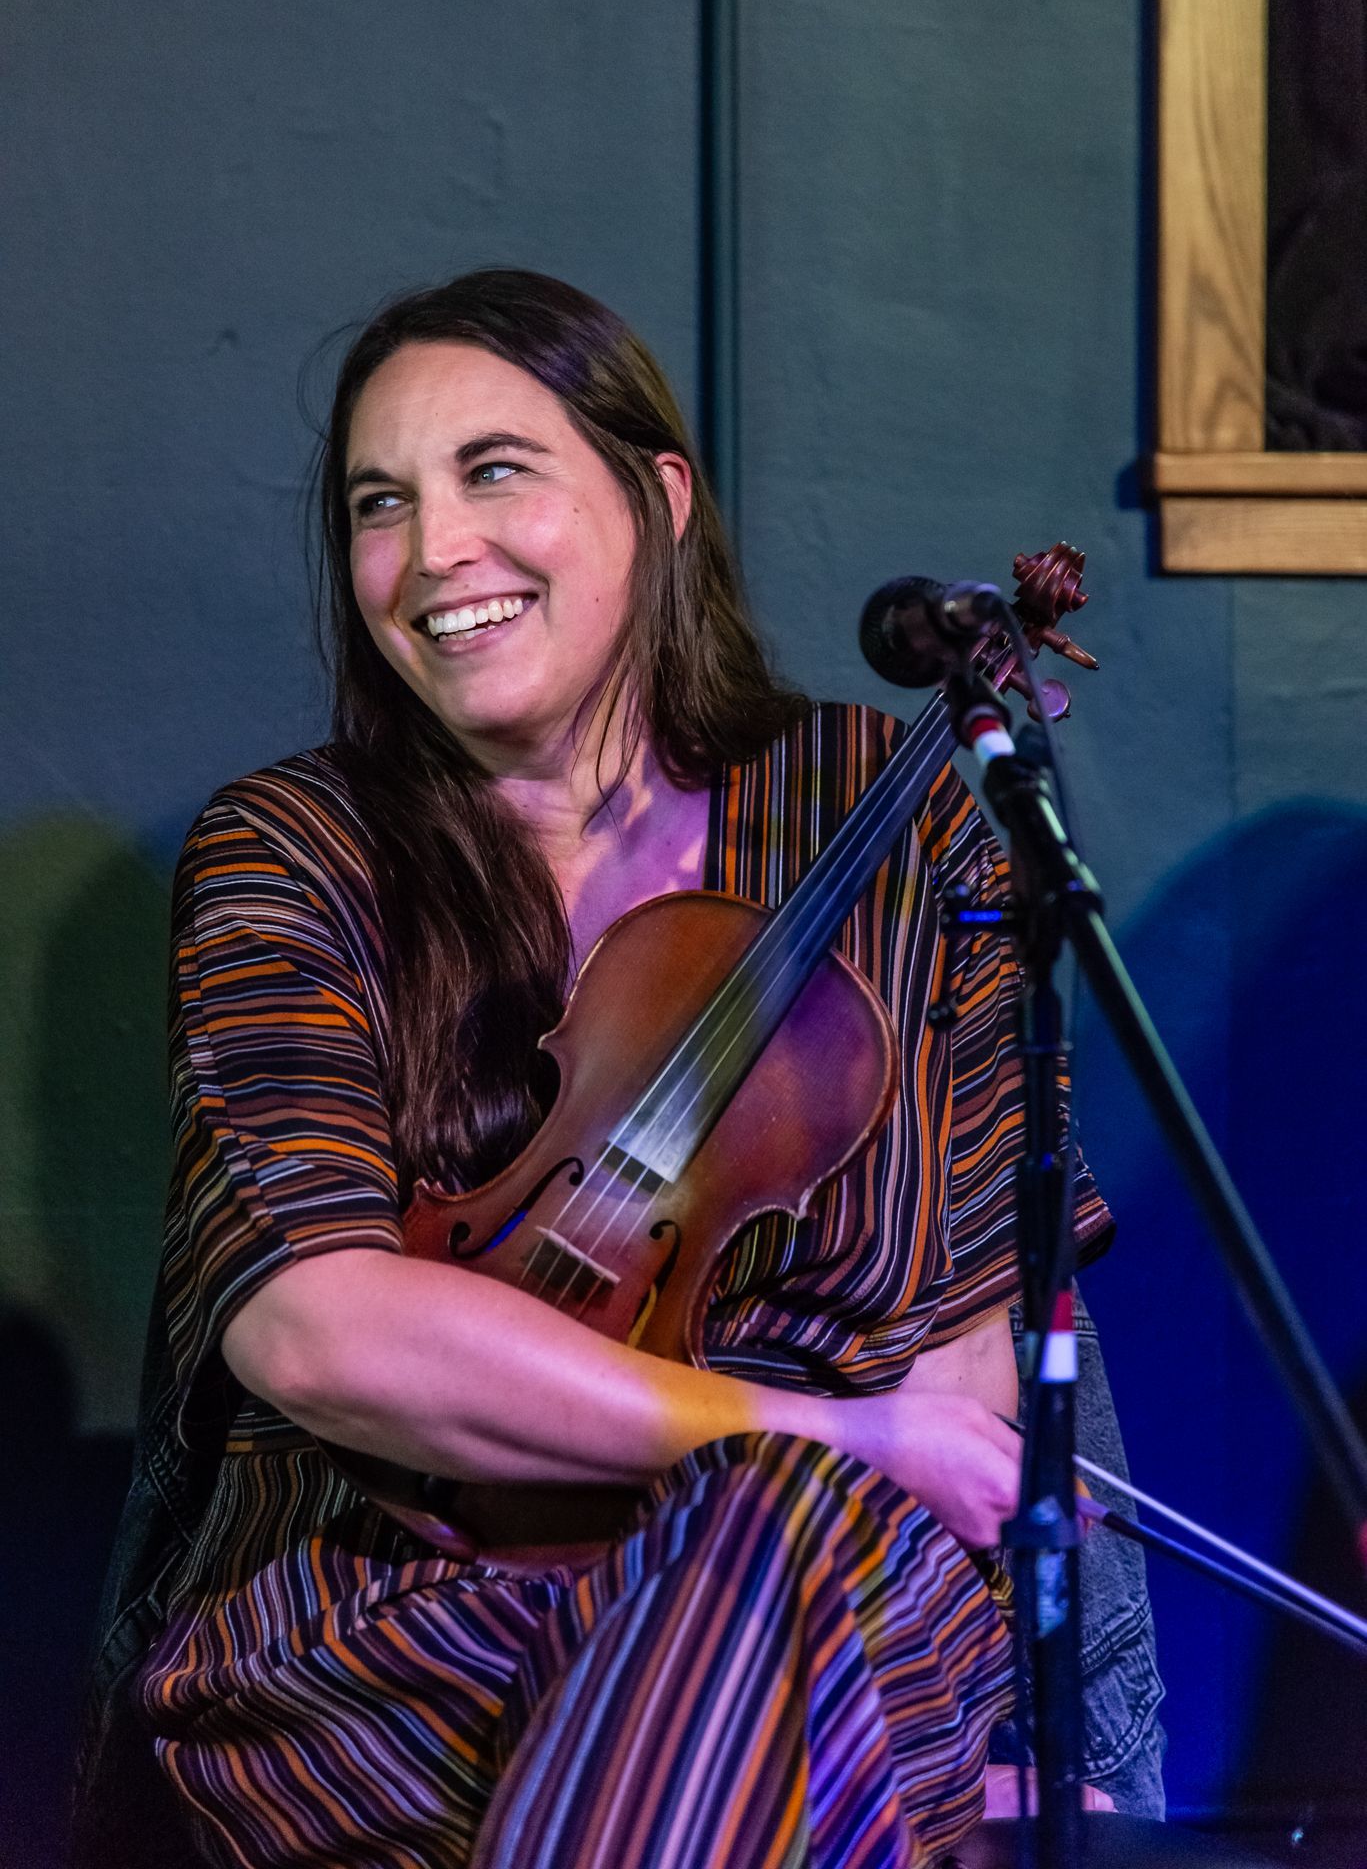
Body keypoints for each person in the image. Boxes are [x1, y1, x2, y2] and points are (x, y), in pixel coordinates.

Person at [80, 268, 1127, 1869]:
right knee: (745, 1640)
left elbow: (974, 1357)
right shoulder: (294, 851)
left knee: (763, 1570)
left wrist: (797, 1496)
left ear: (658, 497)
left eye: (494, 471)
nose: (435, 549)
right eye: (380, 503)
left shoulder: (902, 817)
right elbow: (317, 1327)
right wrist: (800, 1437)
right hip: (406, 1611)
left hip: (845, 1599)